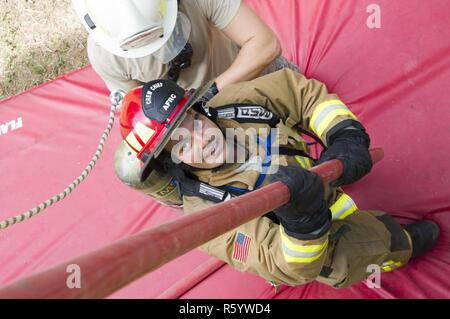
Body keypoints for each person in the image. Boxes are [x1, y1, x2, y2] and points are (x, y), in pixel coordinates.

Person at [115, 68, 440, 288]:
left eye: (194, 122)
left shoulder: (234, 104)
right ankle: (399, 251)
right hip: (323, 243)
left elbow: (301, 94)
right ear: (169, 161)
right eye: (180, 143)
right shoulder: (206, 217)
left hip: (326, 173)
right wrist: (304, 221)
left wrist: (344, 134)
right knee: (378, 242)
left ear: (200, 109)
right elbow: (282, 262)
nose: (202, 140)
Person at [72, 0, 297, 101]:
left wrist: (211, 93)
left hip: (248, 75)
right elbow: (139, 112)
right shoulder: (104, 54)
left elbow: (266, 44)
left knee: (300, 94)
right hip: (196, 125)